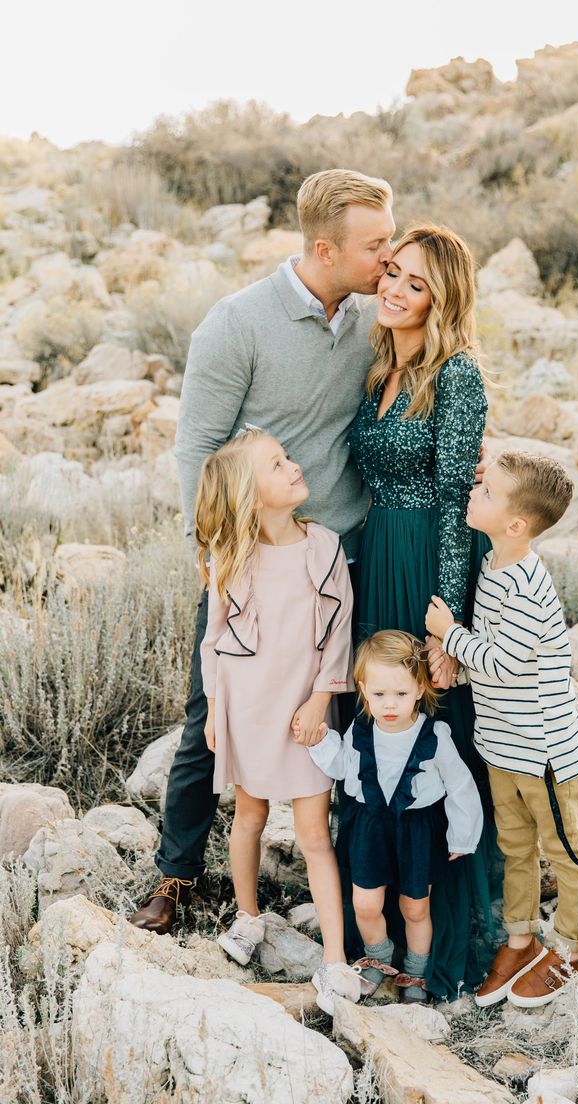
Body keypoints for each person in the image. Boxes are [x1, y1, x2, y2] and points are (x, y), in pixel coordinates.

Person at [128, 169, 395, 935]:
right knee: (211, 714)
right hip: (249, 561)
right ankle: (176, 875)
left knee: (342, 710)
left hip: (341, 551)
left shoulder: (373, 318)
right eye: (375, 246)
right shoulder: (236, 323)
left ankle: (349, 880)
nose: (387, 256)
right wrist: (210, 556)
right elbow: (198, 450)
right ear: (325, 248)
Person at [348, 224, 503, 1000]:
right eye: (393, 273)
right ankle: (369, 926)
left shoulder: (458, 374)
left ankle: (444, 948)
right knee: (378, 730)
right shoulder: (379, 362)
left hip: (430, 568)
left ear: (442, 300)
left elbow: (453, 503)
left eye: (416, 284)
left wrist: (447, 628)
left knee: (439, 745)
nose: (396, 289)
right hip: (378, 554)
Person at [195, 427, 365, 1012]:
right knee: (249, 816)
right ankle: (248, 918)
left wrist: (322, 701)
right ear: (250, 494)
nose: (294, 467)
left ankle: (337, 960)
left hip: (305, 709)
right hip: (248, 705)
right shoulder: (232, 559)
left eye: (287, 457)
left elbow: (338, 633)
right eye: (276, 465)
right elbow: (213, 643)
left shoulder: (323, 546)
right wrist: (216, 710)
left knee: (315, 833)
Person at [425, 450, 578, 1009]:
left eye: (488, 492)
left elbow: (503, 662)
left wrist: (449, 635)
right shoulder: (492, 568)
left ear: (516, 524)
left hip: (544, 752)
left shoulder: (528, 585)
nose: (475, 492)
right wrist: (456, 658)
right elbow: (487, 664)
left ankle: (571, 949)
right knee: (515, 846)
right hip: (502, 745)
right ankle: (521, 939)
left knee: (565, 848)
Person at [308, 630, 483, 1007]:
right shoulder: (361, 729)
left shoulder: (434, 734)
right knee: (366, 904)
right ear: (363, 689)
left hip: (417, 830)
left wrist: (462, 837)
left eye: (401, 694)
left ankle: (416, 971)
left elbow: (461, 786)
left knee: (415, 908)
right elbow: (342, 766)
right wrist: (319, 741)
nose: (390, 704)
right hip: (369, 828)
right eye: (380, 694)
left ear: (420, 689)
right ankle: (379, 955)